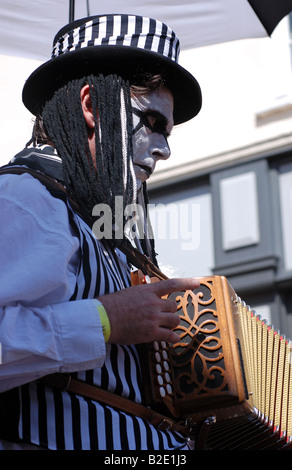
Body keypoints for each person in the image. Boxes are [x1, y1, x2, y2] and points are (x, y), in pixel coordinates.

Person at [0, 14, 202, 450]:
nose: (165, 150)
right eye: (152, 122)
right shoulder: (24, 197)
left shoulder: (101, 224)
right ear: (91, 106)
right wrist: (105, 320)